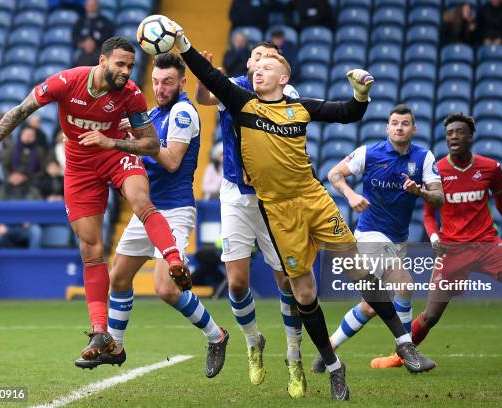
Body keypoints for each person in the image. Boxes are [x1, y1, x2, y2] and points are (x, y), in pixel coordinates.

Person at [174, 21, 434, 400]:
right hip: (277, 212)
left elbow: (346, 113)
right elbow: (208, 75)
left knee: (360, 270)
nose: (257, 69)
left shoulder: (299, 108)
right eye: (255, 65)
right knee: (305, 293)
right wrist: (184, 45)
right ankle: (333, 365)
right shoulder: (241, 103)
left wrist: (361, 96)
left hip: (313, 199)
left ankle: (404, 342)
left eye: (267, 66)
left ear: (284, 77)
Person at [0, 36, 190, 365]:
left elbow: (152, 145)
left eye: (130, 65)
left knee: (141, 202)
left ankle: (173, 262)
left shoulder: (130, 95)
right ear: (102, 62)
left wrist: (111, 142)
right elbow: (21, 110)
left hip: (114, 154)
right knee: (90, 247)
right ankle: (100, 332)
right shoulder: (66, 82)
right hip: (80, 166)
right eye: (120, 64)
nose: (127, 71)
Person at [76, 52, 230, 377]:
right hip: (146, 211)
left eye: (168, 82)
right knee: (118, 278)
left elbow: (172, 160)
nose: (160, 88)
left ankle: (216, 336)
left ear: (182, 82)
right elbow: (143, 145)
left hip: (174, 211)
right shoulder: (154, 113)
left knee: (166, 289)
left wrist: (119, 142)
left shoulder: (184, 113)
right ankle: (114, 346)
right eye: (156, 82)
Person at [372, 112, 502, 372]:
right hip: (452, 249)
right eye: (449, 134)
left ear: (470, 136)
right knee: (431, 315)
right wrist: (434, 237)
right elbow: (428, 214)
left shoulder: (490, 168)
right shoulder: (437, 170)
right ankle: (400, 355)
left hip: (487, 243)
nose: (453, 136)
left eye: (459, 132)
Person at [196, 42, 306, 398]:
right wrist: (204, 73)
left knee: (286, 282)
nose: (261, 62)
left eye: (269, 58)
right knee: (238, 283)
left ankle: (294, 357)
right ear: (248, 62)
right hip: (234, 195)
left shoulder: (286, 94)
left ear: (278, 68)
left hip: (273, 197)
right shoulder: (233, 86)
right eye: (257, 56)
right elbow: (204, 98)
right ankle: (253, 341)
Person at [312, 104, 442, 373]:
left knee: (371, 305)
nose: (399, 127)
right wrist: (351, 196)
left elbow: (439, 196)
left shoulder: (424, 158)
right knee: (404, 283)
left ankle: (327, 350)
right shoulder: (369, 153)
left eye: (405, 123)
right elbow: (334, 174)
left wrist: (420, 192)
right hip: (370, 233)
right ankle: (408, 352)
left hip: (398, 239)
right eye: (394, 123)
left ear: (413, 129)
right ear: (387, 127)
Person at [0, 170, 43, 249]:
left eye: (18, 175)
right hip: (7, 225)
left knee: (36, 231)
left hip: (26, 225)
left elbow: (41, 209)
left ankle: (32, 259)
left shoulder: (32, 190)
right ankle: (9, 258)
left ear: (24, 177)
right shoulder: (3, 190)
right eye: (13, 175)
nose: (15, 177)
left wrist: (32, 220)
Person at [72, 0, 115, 66]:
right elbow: (74, 36)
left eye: (93, 5)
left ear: (97, 6)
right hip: (83, 51)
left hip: (99, 50)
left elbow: (109, 37)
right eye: (89, 5)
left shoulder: (105, 21)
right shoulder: (80, 21)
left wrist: (95, 43)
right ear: (85, 6)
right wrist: (84, 44)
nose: (91, 7)